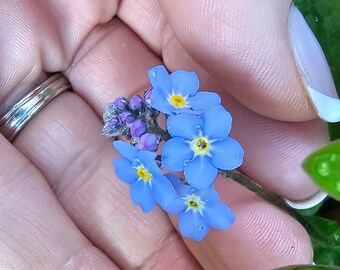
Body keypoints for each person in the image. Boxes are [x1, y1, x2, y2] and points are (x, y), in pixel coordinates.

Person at [0, 1, 337, 269]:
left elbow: (189, 132)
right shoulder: (171, 147)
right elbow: (169, 148)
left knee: (285, 170)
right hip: (185, 157)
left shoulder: (178, 123)